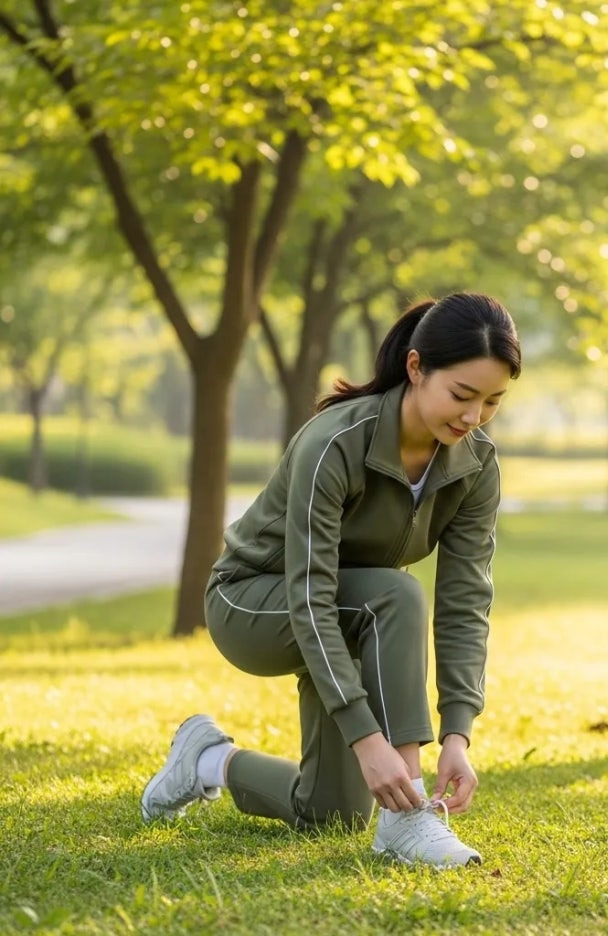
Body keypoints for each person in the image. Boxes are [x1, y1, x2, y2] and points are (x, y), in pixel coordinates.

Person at [140, 292, 521, 869]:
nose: (473, 417)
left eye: (493, 401)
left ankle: (206, 760)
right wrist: (371, 743)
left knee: (334, 813)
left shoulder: (475, 464)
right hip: (251, 601)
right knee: (394, 593)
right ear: (416, 368)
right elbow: (311, 595)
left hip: (347, 614)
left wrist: (458, 736)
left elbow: (466, 600)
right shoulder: (335, 442)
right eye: (462, 395)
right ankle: (409, 819)